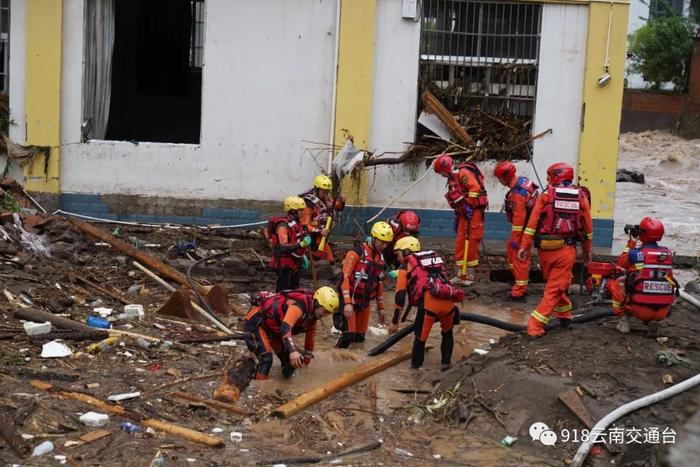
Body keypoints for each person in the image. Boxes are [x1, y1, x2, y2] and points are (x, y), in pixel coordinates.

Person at [517, 162, 593, 338]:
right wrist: (586, 251)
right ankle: (535, 325)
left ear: (555, 176)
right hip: (566, 250)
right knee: (555, 287)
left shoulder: (545, 196)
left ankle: (565, 315)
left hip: (545, 250)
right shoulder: (581, 197)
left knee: (557, 284)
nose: (547, 180)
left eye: (549, 176)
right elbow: (587, 228)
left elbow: (532, 224)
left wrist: (524, 246)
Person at [389, 236, 464, 370]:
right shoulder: (430, 260)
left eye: (398, 253)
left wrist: (395, 323)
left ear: (405, 251)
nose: (398, 258)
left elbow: (400, 296)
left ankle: (415, 373)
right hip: (448, 302)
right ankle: (446, 366)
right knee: (447, 333)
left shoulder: (405, 265)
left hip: (429, 305)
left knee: (420, 339)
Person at [244, 286, 339, 380]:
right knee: (266, 359)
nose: (326, 315)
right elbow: (285, 327)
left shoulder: (312, 315)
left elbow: (310, 339)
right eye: (325, 311)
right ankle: (261, 390)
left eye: (329, 313)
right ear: (317, 303)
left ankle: (284, 388)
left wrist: (306, 361)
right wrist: (293, 351)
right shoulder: (300, 306)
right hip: (256, 322)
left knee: (291, 363)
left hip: (273, 329)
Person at [606, 217, 677, 335]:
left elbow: (621, 263)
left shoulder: (636, 254)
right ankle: (651, 323)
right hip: (663, 311)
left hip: (640, 309)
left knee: (616, 283)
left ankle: (624, 321)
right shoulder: (667, 254)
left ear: (642, 233)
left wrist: (632, 241)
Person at [334, 221, 393, 348]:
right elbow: (345, 277)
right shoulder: (356, 253)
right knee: (348, 336)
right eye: (382, 241)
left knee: (360, 339)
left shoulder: (380, 258)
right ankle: (335, 360)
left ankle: (355, 361)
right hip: (349, 300)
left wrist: (381, 308)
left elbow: (379, 284)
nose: (384, 245)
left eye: (387, 243)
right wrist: (348, 303)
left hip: (364, 302)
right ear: (374, 238)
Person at [433, 154, 488, 285]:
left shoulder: (463, 172)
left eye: (440, 172)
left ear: (445, 168)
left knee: (472, 241)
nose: (441, 175)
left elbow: (475, 188)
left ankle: (469, 275)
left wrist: (468, 204)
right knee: (460, 241)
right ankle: (460, 274)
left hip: (473, 212)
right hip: (464, 213)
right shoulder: (453, 176)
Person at [494, 161, 539, 301]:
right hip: (531, 225)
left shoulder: (517, 194)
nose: (499, 181)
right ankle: (519, 279)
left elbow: (519, 220)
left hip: (526, 229)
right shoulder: (523, 181)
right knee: (511, 252)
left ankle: (519, 291)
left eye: (500, 178)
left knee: (519, 256)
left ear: (506, 177)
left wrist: (515, 239)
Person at [267, 196, 312, 292]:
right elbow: (283, 247)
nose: (302, 213)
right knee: (283, 290)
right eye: (300, 210)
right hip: (285, 263)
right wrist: (301, 244)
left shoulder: (297, 223)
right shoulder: (283, 226)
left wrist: (302, 255)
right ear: (293, 211)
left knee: (294, 288)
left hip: (295, 261)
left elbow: (297, 238)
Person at [300, 174, 345, 264]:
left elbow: (335, 207)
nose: (326, 194)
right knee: (329, 261)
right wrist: (319, 231)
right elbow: (304, 225)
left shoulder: (326, 197)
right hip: (312, 237)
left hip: (323, 235)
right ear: (317, 189)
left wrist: (342, 202)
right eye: (324, 191)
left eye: (327, 191)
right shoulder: (309, 203)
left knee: (329, 260)